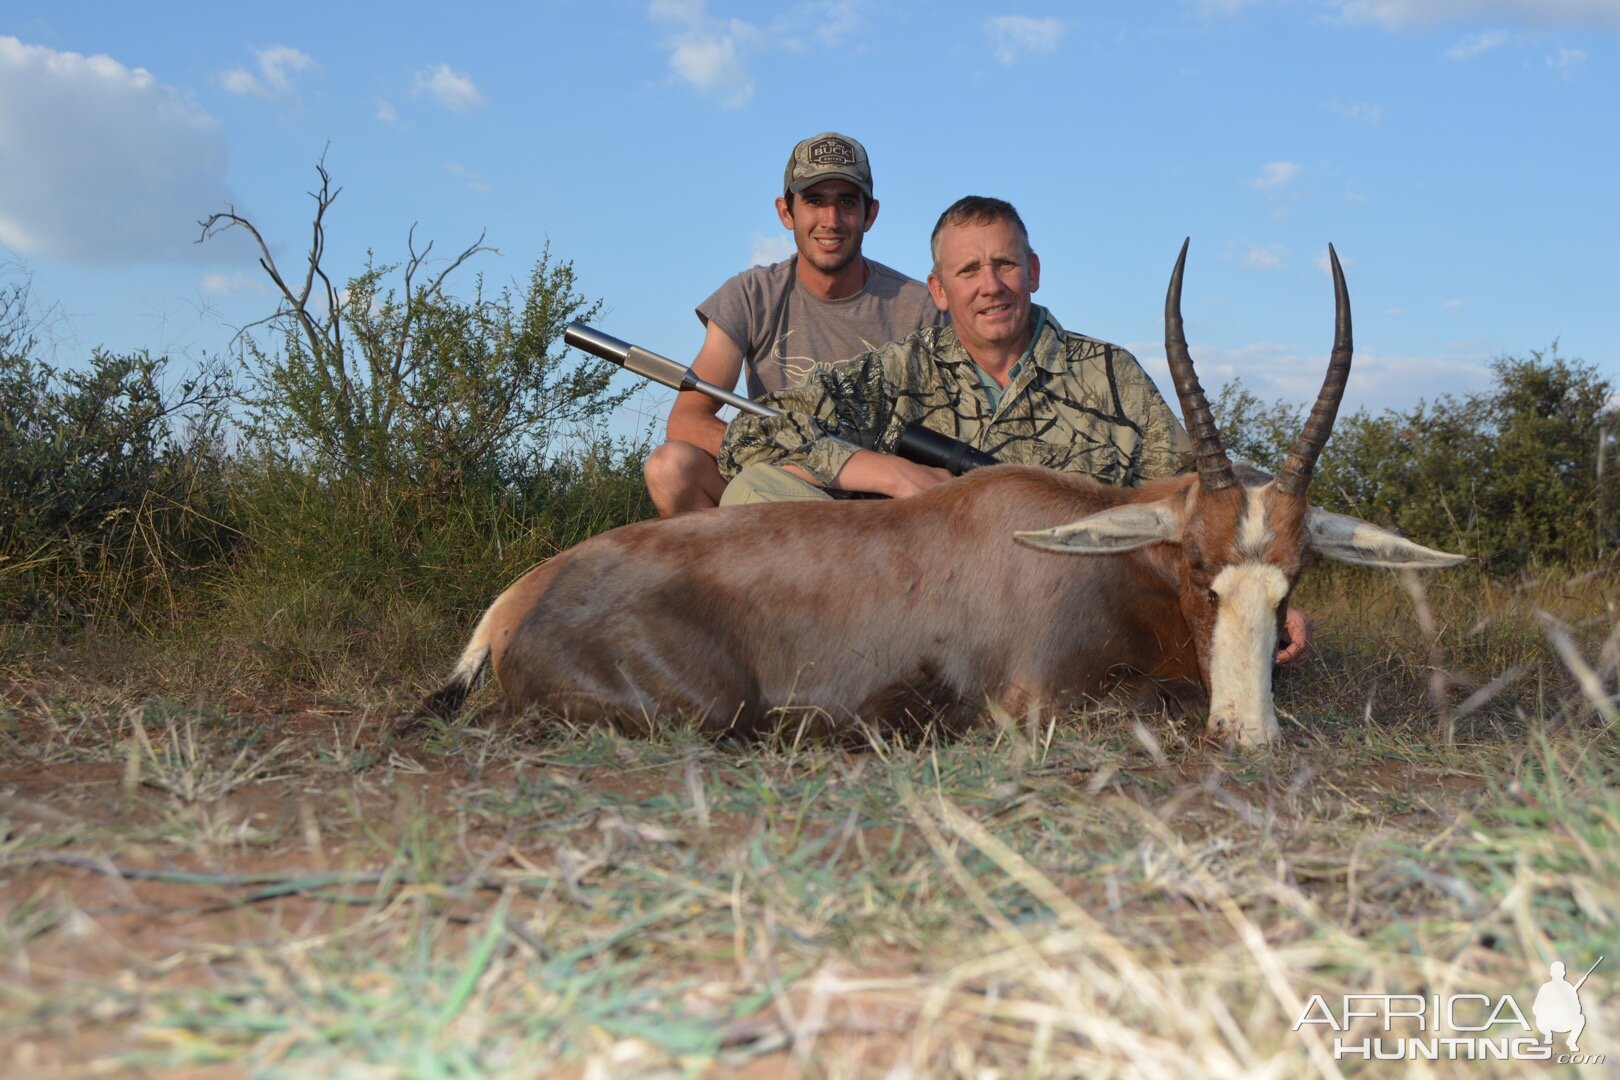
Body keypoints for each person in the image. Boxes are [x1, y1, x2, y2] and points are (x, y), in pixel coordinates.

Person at [717, 194, 1311, 664]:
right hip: (923, 603)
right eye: (968, 270)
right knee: (754, 493)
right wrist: (891, 474)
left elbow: (1208, 497)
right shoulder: (900, 369)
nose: (990, 284)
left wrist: (1266, 598)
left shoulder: (1109, 374)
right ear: (939, 291)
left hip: (1071, 621)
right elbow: (755, 433)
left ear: (1032, 271)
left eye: (1004, 264)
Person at [641, 132, 944, 516]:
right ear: (786, 212)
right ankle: (731, 576)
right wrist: (811, 460)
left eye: (847, 202)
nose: (831, 221)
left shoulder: (920, 307)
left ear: (870, 214)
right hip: (777, 488)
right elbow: (686, 420)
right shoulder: (751, 294)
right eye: (815, 201)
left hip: (877, 511)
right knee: (670, 468)